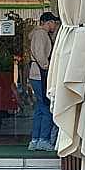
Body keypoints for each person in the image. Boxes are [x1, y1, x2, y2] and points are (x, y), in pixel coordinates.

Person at [28, 12, 58, 150]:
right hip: (41, 74)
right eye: (53, 22)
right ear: (47, 22)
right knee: (47, 107)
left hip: (36, 74)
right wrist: (48, 67)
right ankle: (44, 139)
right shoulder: (41, 34)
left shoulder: (37, 34)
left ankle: (35, 140)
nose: (54, 25)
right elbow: (40, 54)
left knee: (40, 108)